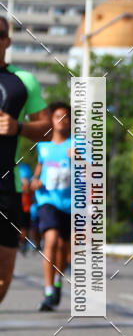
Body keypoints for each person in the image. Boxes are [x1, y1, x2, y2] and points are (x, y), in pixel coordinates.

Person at [0, 15, 50, 306]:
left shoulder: (23, 81)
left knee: (3, 275)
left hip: (8, 189)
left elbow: (48, 129)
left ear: (7, 41)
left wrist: (18, 127)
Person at [31, 102, 72, 311]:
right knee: (51, 240)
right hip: (47, 200)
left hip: (69, 204)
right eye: (57, 117)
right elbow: (39, 169)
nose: (61, 121)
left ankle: (57, 281)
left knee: (63, 248)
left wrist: (79, 158)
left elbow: (92, 170)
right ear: (52, 120)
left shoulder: (76, 144)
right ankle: (48, 291)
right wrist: (35, 181)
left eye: (66, 117)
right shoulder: (43, 145)